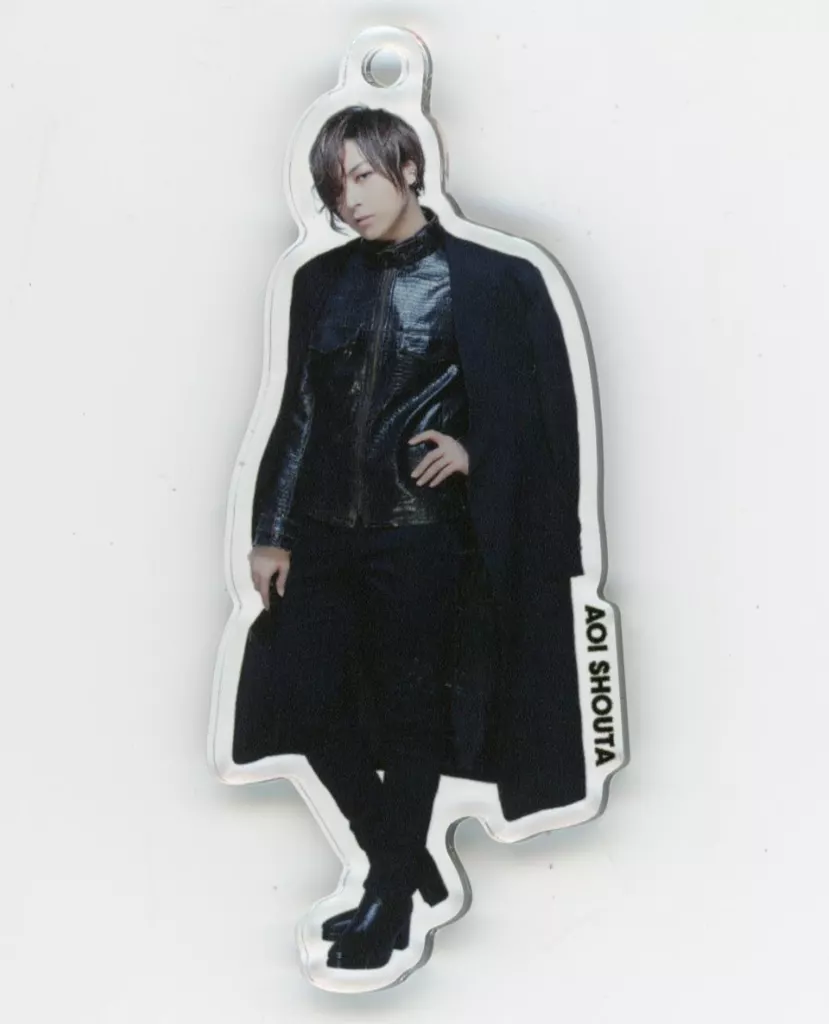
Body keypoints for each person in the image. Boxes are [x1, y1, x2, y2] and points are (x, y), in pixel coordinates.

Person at [241, 105, 586, 971]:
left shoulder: (492, 279)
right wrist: (271, 530)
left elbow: (545, 416)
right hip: (324, 530)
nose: (349, 199)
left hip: (423, 536)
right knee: (302, 694)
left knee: (410, 717)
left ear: (406, 166)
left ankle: (389, 902)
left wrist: (476, 451)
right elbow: (300, 408)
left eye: (362, 175)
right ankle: (401, 863)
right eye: (334, 186)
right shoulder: (319, 280)